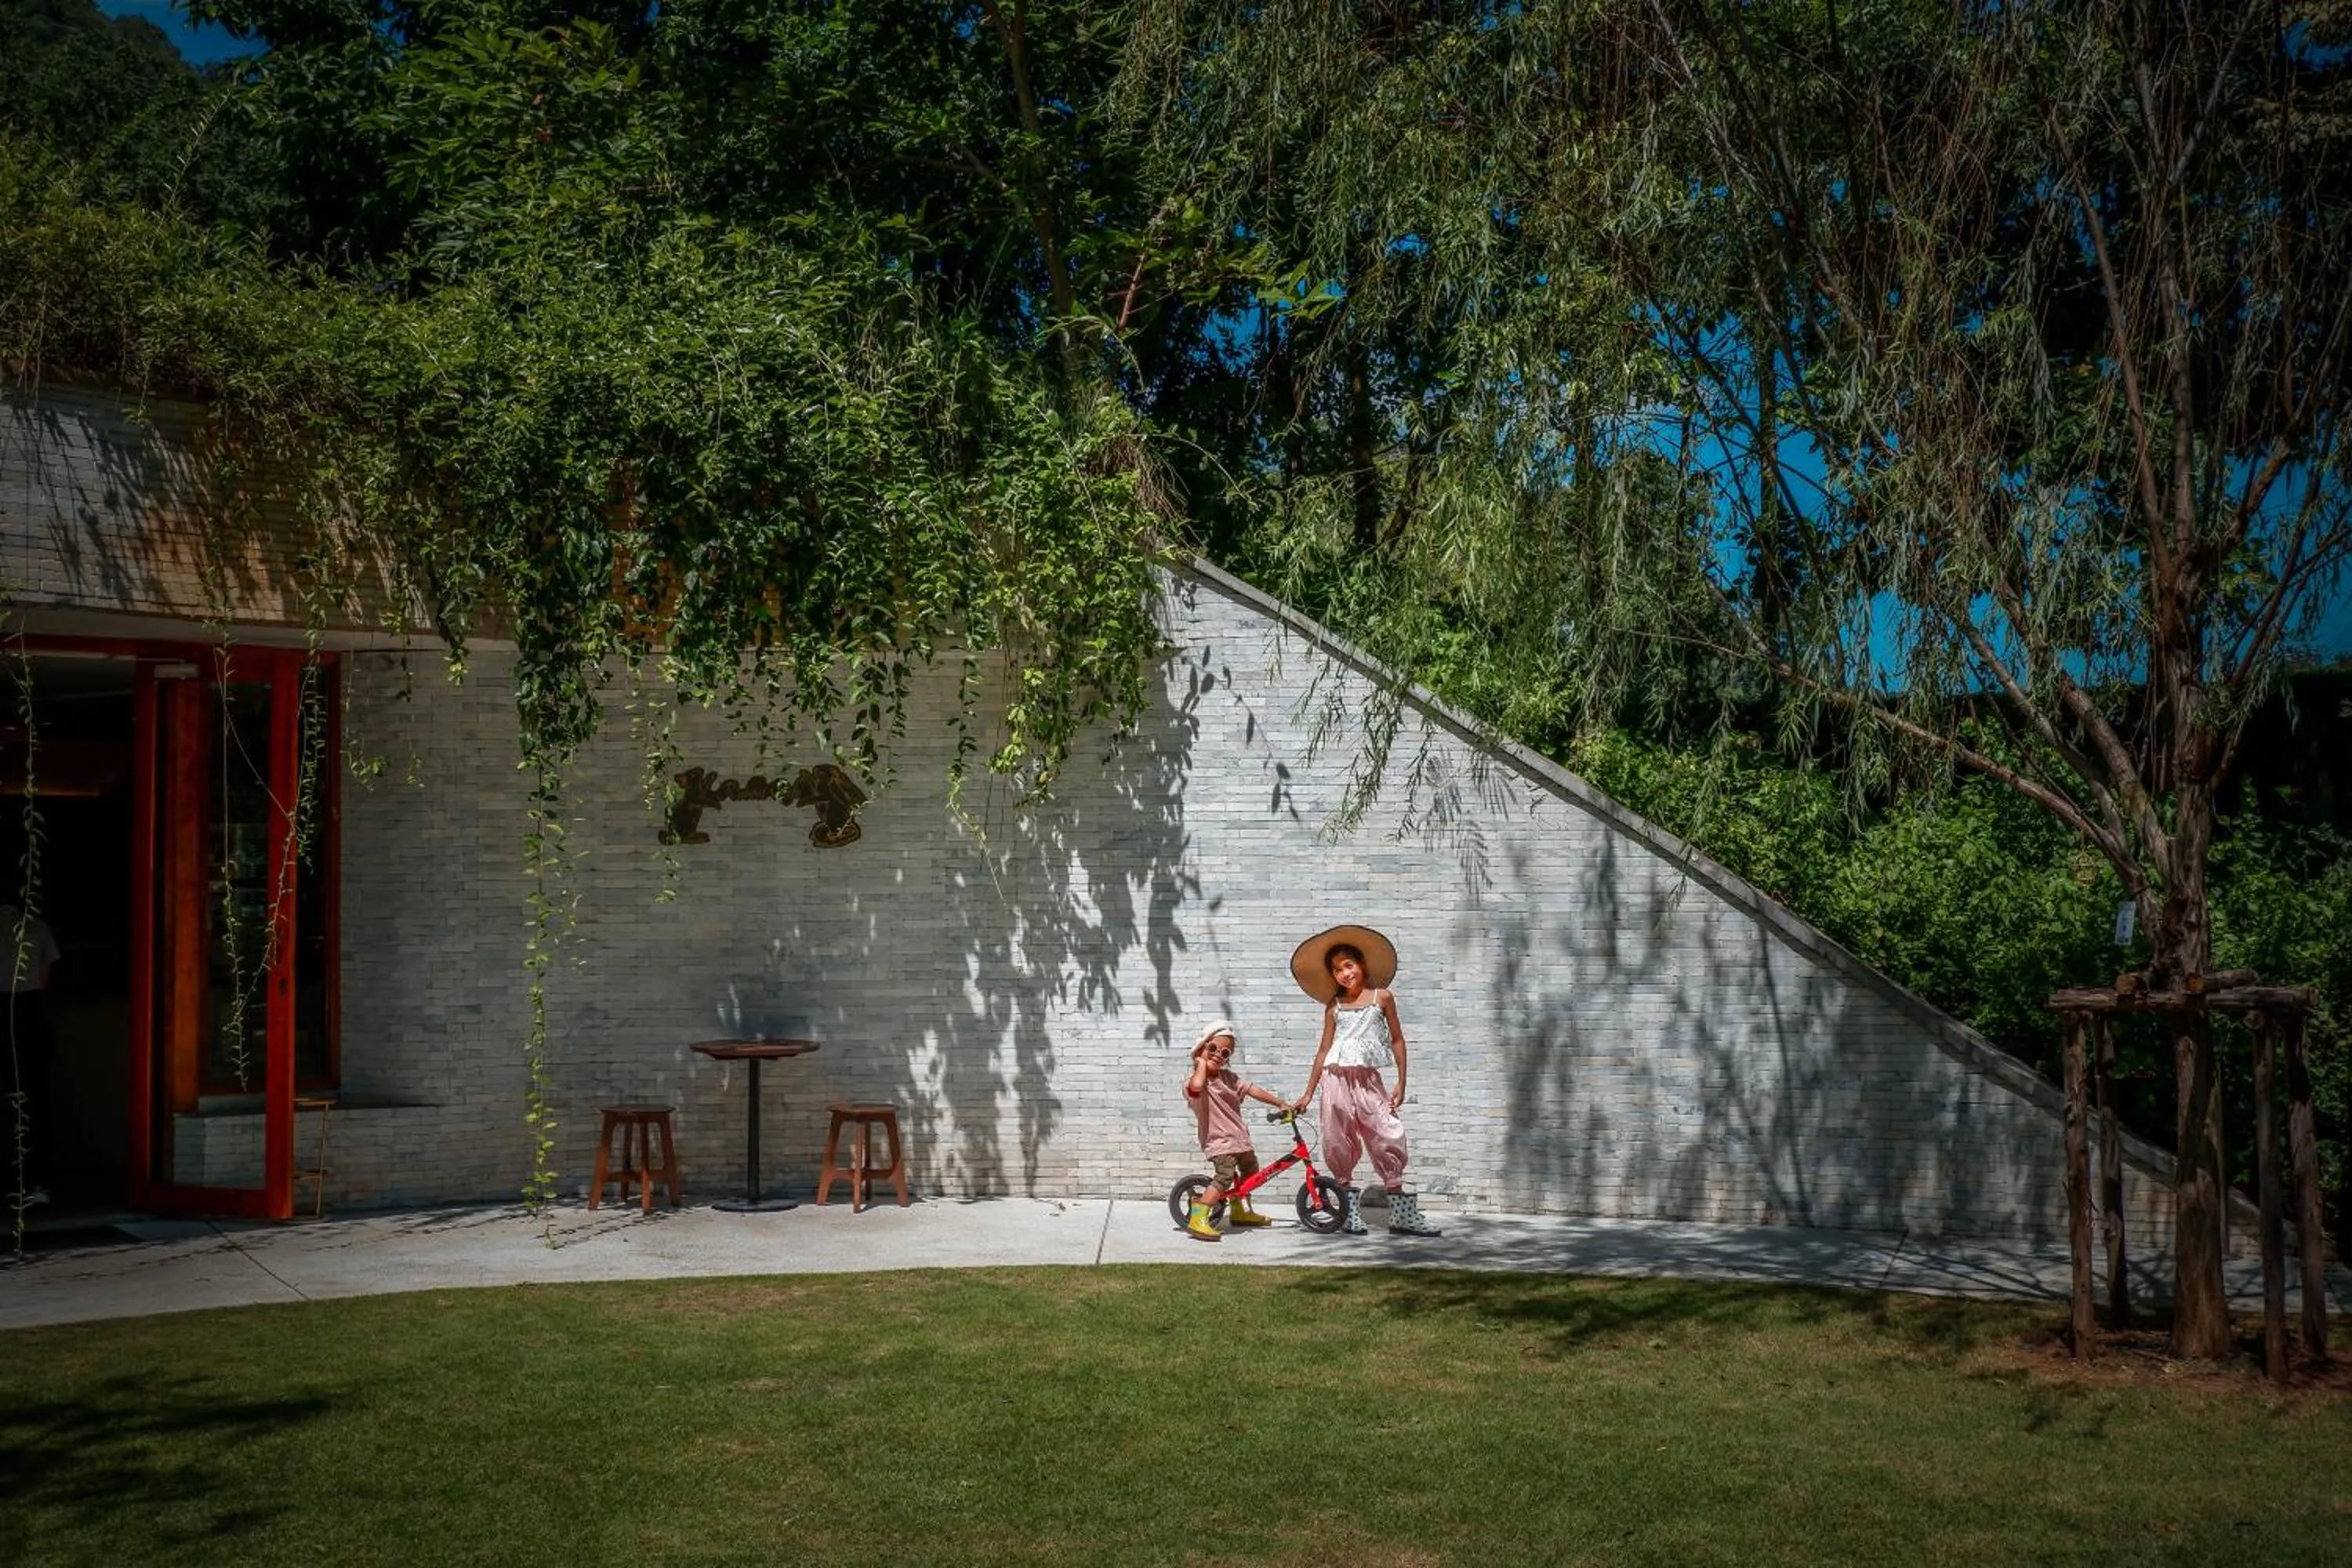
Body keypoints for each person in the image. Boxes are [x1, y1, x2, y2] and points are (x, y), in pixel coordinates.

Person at [1290, 924, 1441, 1236]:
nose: (1344, 973)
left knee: (1387, 1131)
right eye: (1337, 970)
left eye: (1349, 965)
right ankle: (1347, 1211)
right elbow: (1323, 1050)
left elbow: (1397, 1040)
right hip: (1334, 1079)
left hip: (1368, 1079)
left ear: (1362, 965)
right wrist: (1308, 1092)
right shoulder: (1334, 1006)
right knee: (1337, 1137)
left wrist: (1402, 1081)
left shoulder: (1381, 998)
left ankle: (1400, 1214)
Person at [1181, 1018, 1290, 1242]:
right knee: (1225, 1176)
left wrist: (1280, 1103)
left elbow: (1251, 1089)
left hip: (1240, 1139)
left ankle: (1240, 1211)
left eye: (1225, 1053)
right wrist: (1200, 1064)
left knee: (1252, 1175)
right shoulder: (1195, 1081)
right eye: (1212, 1048)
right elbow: (1196, 1088)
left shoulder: (1229, 1078)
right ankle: (1199, 1215)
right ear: (1201, 1047)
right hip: (1219, 1141)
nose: (1218, 1055)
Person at [0, 902, 60, 1209]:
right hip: (29, 1011)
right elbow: (46, 973)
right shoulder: (36, 925)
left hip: (10, 1009)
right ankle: (37, 1182)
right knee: (35, 1100)